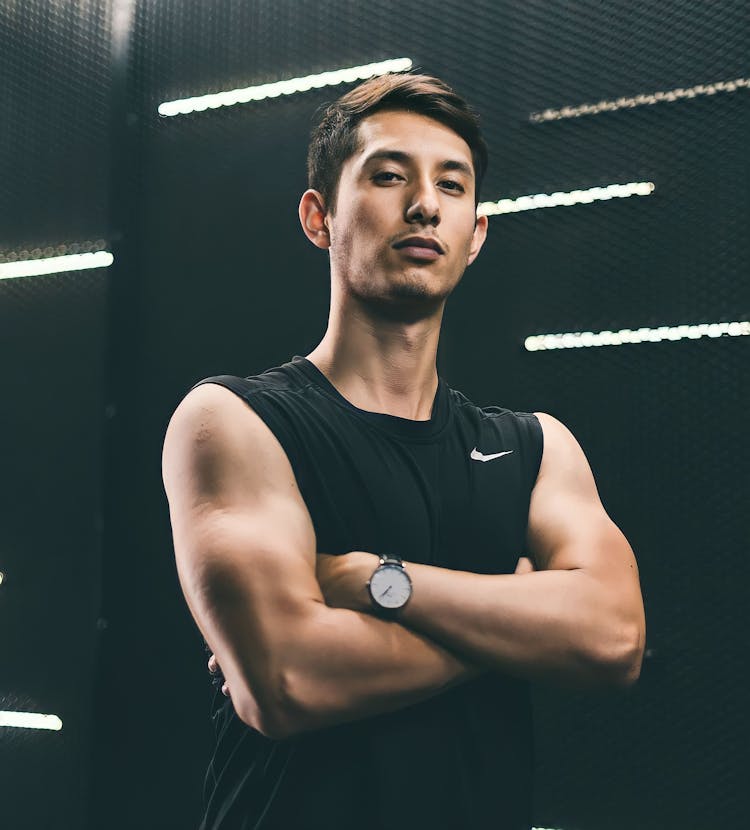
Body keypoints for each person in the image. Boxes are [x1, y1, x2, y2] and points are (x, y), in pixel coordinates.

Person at [162, 72, 646, 830]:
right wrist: (523, 627)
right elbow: (287, 680)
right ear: (319, 218)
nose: (424, 203)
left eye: (452, 186)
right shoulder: (234, 420)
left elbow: (614, 637)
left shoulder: (536, 448)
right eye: (389, 176)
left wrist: (382, 582)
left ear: (475, 234)